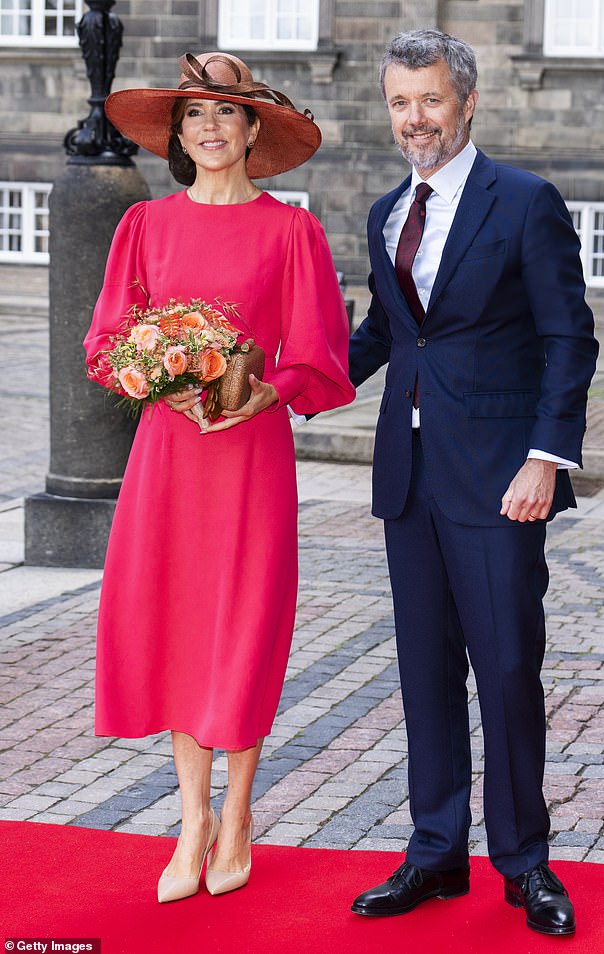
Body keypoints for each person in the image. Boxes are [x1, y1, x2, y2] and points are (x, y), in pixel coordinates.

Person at [84, 51, 354, 904]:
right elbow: (104, 343)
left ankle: (238, 813)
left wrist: (265, 389)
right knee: (173, 622)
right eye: (194, 115)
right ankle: (190, 817)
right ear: (179, 135)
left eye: (226, 114)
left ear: (251, 132)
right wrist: (154, 375)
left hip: (249, 457)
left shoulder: (291, 232)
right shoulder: (144, 227)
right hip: (167, 457)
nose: (209, 128)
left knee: (241, 624)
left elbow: (319, 355)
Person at [347, 30, 598, 937]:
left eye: (430, 100)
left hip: (500, 481)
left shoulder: (525, 202)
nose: (415, 119)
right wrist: (285, 386)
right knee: (423, 675)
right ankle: (434, 852)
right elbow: (385, 332)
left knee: (504, 670)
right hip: (409, 479)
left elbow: (570, 338)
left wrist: (544, 457)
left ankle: (526, 863)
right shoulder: (384, 211)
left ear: (467, 101)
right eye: (400, 103)